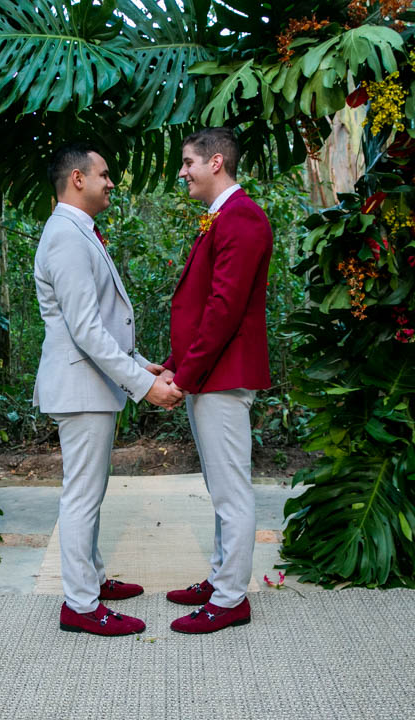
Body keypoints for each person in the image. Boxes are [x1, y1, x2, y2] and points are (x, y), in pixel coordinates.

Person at [33, 142, 183, 636]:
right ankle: (79, 605)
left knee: (89, 493)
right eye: (104, 174)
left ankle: (92, 578)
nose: (111, 182)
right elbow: (87, 331)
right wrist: (144, 386)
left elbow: (98, 324)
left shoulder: (77, 232)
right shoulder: (66, 237)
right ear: (78, 178)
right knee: (82, 495)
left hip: (90, 385)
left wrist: (142, 363)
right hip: (80, 388)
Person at [161, 128, 273, 634]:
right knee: (219, 486)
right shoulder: (221, 217)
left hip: (222, 377)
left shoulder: (243, 218)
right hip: (208, 374)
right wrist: (173, 363)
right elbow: (202, 305)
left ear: (217, 162)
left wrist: (185, 375)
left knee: (231, 492)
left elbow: (224, 310)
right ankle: (220, 577)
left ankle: (231, 600)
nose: (183, 171)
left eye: (188, 162)